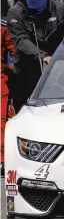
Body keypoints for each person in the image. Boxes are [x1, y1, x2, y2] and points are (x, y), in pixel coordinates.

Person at [7, 0, 64, 111]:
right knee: (20, 109)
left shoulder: (61, 10)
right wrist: (42, 56)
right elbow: (21, 40)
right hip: (26, 68)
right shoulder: (16, 12)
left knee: (61, 107)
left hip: (56, 68)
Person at [1, 17, 15, 176]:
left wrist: (10, 66)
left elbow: (14, 51)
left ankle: (2, 159)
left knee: (1, 119)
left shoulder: (3, 27)